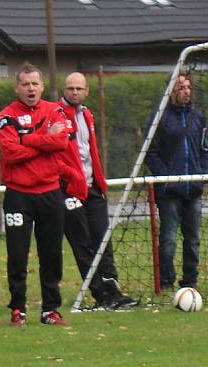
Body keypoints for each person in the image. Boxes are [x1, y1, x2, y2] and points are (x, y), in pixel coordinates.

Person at [57, 72, 139, 310]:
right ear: (64, 89)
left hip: (92, 187)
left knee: (103, 239)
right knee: (82, 243)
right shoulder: (56, 115)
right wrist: (69, 177)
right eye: (70, 88)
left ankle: (113, 290)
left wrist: (99, 183)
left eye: (78, 88)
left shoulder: (87, 114)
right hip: (70, 190)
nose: (74, 92)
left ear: (86, 91)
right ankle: (98, 294)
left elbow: (89, 151)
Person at [0, 64, 70, 326]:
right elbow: (11, 154)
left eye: (34, 84)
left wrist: (26, 139)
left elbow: (61, 142)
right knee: (17, 253)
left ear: (41, 86)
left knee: (51, 253)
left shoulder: (55, 110)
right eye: (25, 84)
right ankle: (18, 309)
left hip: (50, 192)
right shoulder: (6, 116)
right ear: (17, 88)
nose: (30, 88)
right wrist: (42, 139)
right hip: (19, 194)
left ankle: (50, 310)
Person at [145, 73, 208, 291]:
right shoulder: (159, 117)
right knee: (168, 239)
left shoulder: (198, 116)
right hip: (169, 191)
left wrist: (201, 173)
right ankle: (166, 282)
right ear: (171, 91)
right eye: (181, 87)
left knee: (193, 239)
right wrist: (166, 178)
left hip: (194, 188)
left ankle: (190, 281)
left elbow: (205, 148)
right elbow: (150, 153)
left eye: (188, 87)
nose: (186, 91)